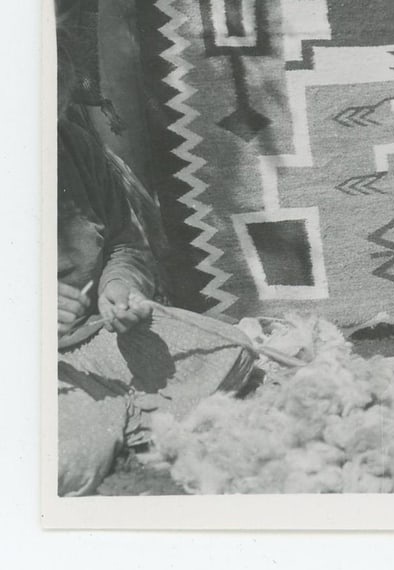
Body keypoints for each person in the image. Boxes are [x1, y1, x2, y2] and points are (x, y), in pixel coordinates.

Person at [56, 43, 255, 496]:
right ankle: (121, 415)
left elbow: (125, 245)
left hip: (90, 339)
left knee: (231, 349)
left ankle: (117, 411)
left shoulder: (75, 144)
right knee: (62, 463)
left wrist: (121, 290)